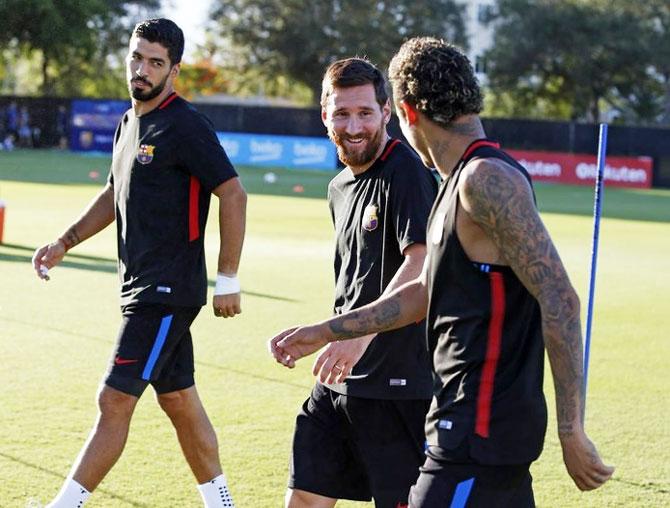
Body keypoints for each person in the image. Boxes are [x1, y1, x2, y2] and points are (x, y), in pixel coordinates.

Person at [270, 37, 614, 506]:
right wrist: (327, 331)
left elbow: (560, 298)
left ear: (405, 112)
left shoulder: (484, 179)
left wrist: (571, 431)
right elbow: (421, 293)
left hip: (482, 437)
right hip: (457, 428)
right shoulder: (456, 183)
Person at [32, 18, 246, 508]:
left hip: (166, 292)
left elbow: (232, 193)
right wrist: (66, 241)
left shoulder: (186, 125)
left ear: (174, 70)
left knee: (113, 400)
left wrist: (228, 277)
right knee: (178, 401)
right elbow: (115, 192)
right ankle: (222, 504)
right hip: (140, 288)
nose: (142, 70)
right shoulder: (130, 123)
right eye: (137, 57)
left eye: (155, 62)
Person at [278, 57, 437, 508]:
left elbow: (421, 263)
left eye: (365, 113)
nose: (354, 125)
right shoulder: (339, 187)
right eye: (342, 113)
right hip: (339, 381)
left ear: (386, 112)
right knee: (304, 498)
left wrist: (358, 335)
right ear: (324, 114)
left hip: (397, 387)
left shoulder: (406, 172)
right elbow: (359, 279)